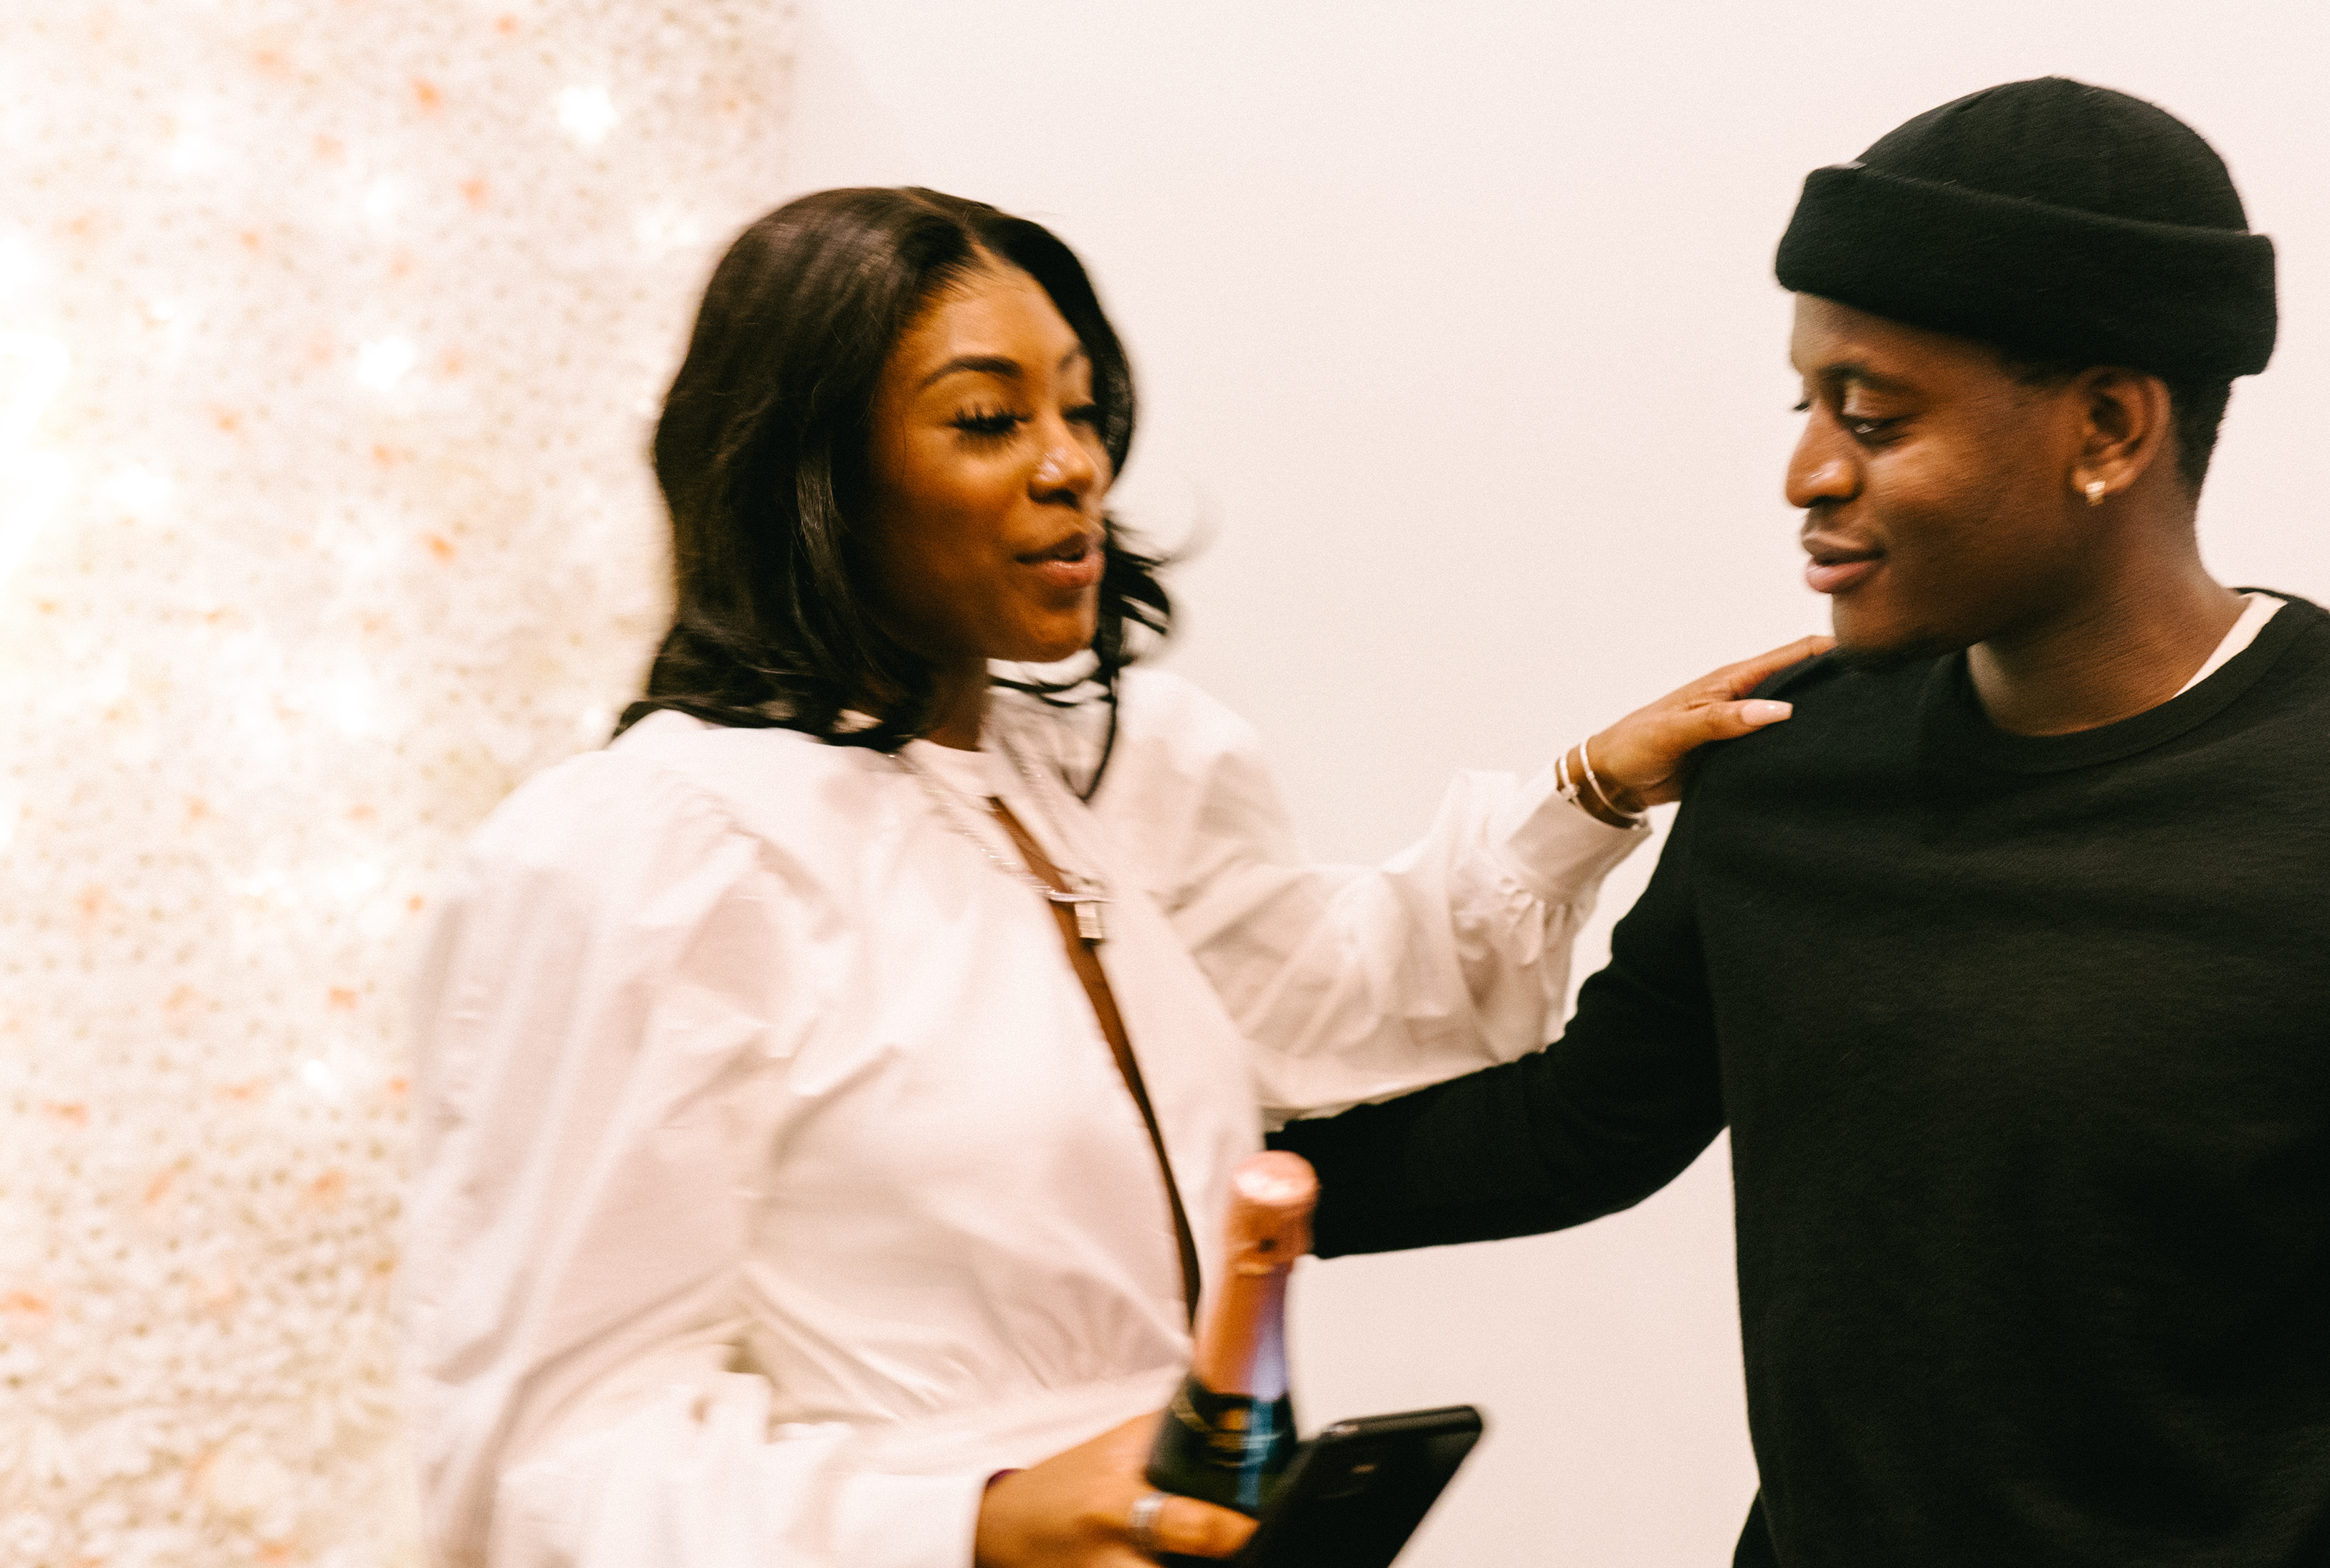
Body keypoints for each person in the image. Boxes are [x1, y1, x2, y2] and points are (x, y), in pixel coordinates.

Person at [1275, 79, 2330, 1567]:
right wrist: (1185, 1192)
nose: (1807, 474)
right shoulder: (1794, 759)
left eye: (1874, 417)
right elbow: (1580, 1128)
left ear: (2108, 427)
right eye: (1806, 407)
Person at [404, 187, 1820, 1568]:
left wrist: (1591, 790)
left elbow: (1335, 997)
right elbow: (539, 1471)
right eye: (987, 420)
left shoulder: (1102, 780)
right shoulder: (649, 858)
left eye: (1082, 412)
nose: (1071, 464)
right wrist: (975, 1520)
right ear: (809, 474)